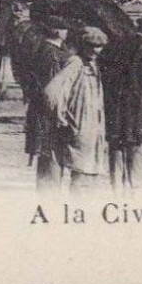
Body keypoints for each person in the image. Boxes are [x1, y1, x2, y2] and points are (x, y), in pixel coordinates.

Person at [100, 15, 142, 191]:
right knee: (135, 149)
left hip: (114, 108)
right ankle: (135, 190)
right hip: (138, 110)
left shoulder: (115, 46)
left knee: (116, 147)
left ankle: (117, 189)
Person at [44, 27, 109, 191]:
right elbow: (53, 91)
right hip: (80, 126)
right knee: (81, 174)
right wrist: (61, 116)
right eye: (91, 46)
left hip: (93, 127)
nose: (96, 50)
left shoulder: (93, 65)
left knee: (89, 174)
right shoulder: (76, 63)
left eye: (99, 46)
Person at [22, 21, 70, 189]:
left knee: (48, 156)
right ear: (57, 31)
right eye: (65, 28)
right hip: (49, 115)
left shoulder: (43, 49)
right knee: (51, 156)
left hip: (41, 112)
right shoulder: (52, 54)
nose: (67, 31)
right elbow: (54, 89)